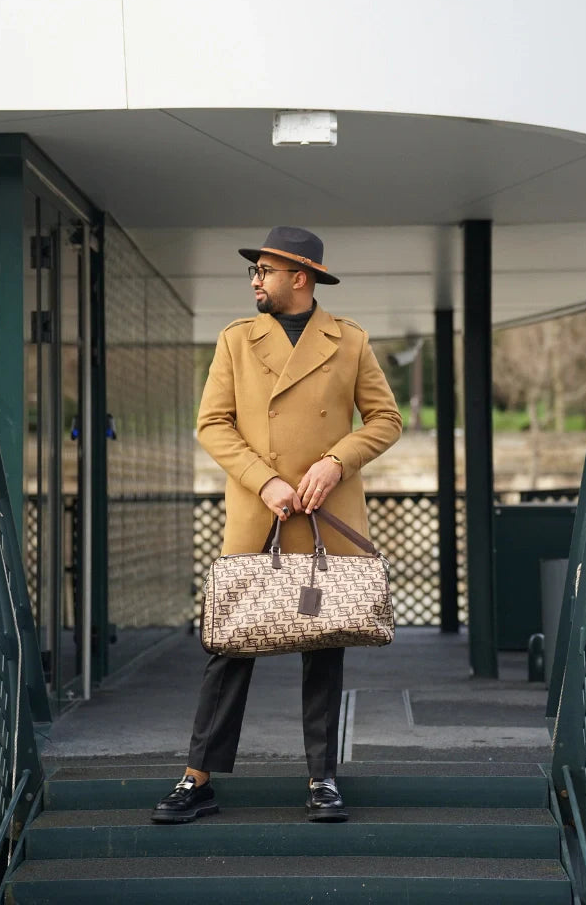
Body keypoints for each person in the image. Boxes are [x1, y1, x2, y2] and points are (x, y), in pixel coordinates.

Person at [151, 226, 402, 824]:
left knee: (325, 647)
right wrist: (265, 480)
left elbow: (386, 419)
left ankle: (323, 779)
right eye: (255, 271)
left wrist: (335, 461)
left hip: (325, 517)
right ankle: (197, 778)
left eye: (264, 271)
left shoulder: (349, 340)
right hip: (259, 513)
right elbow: (212, 424)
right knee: (230, 645)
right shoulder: (236, 340)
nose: (255, 281)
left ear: (301, 277)